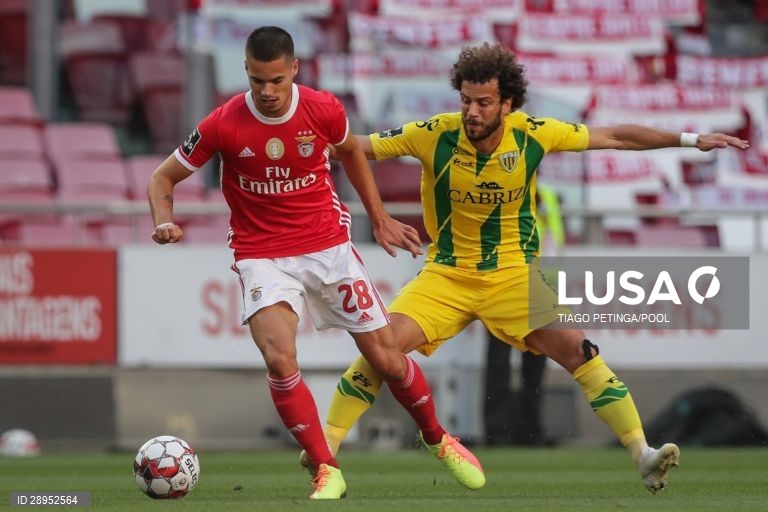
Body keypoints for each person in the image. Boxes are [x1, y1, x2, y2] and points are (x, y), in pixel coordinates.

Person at [302, 42, 750, 493]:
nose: (471, 112)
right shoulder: (434, 133)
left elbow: (617, 137)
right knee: (381, 351)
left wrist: (690, 140)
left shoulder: (534, 133)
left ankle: (643, 455)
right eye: (466, 100)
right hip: (446, 275)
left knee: (579, 349)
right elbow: (353, 147)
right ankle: (325, 452)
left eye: (483, 102)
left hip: (513, 275)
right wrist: (299, 136)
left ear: (507, 103)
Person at [146, 26, 485, 500]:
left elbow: (351, 153)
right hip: (262, 255)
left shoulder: (323, 109)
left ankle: (437, 438)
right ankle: (326, 468)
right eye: (258, 80)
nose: (267, 91)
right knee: (279, 357)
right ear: (246, 71)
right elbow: (162, 178)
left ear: (294, 70)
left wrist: (379, 217)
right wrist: (164, 221)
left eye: (276, 80)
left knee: (388, 359)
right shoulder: (222, 123)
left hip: (328, 249)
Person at [484, 184, 562, 447]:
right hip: (504, 285)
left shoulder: (548, 195)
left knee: (536, 362)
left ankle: (531, 431)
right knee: (499, 362)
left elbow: (554, 242)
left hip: (540, 288)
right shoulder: (503, 188)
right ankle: (496, 431)